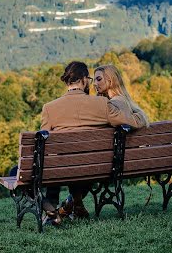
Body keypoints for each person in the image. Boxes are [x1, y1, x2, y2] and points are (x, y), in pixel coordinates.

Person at [40, 60, 146, 224]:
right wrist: (140, 117)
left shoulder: (49, 108)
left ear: (67, 81)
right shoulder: (102, 103)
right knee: (82, 162)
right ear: (84, 80)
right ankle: (69, 206)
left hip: (62, 168)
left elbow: (43, 144)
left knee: (16, 172)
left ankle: (51, 209)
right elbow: (129, 121)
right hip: (94, 166)